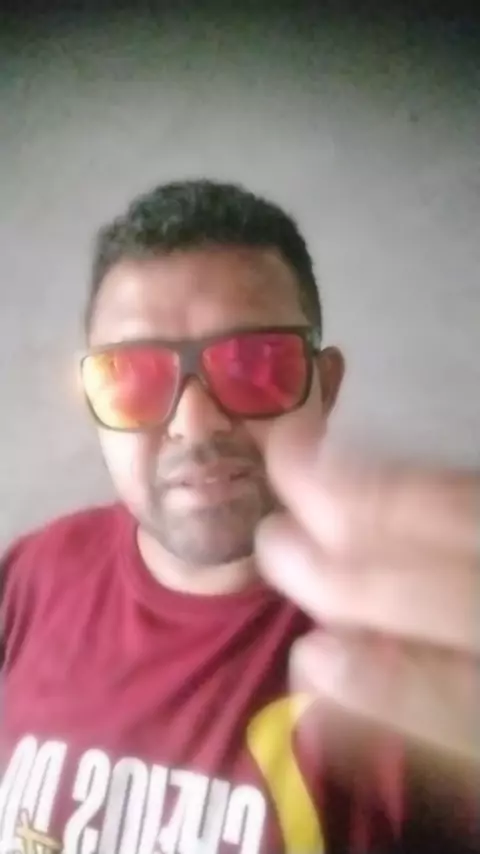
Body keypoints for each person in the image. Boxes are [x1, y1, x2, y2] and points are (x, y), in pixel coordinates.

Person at [0, 179, 477, 854]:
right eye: (133, 377)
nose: (196, 423)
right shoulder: (30, 576)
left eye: (255, 365)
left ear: (325, 388)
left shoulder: (424, 658)